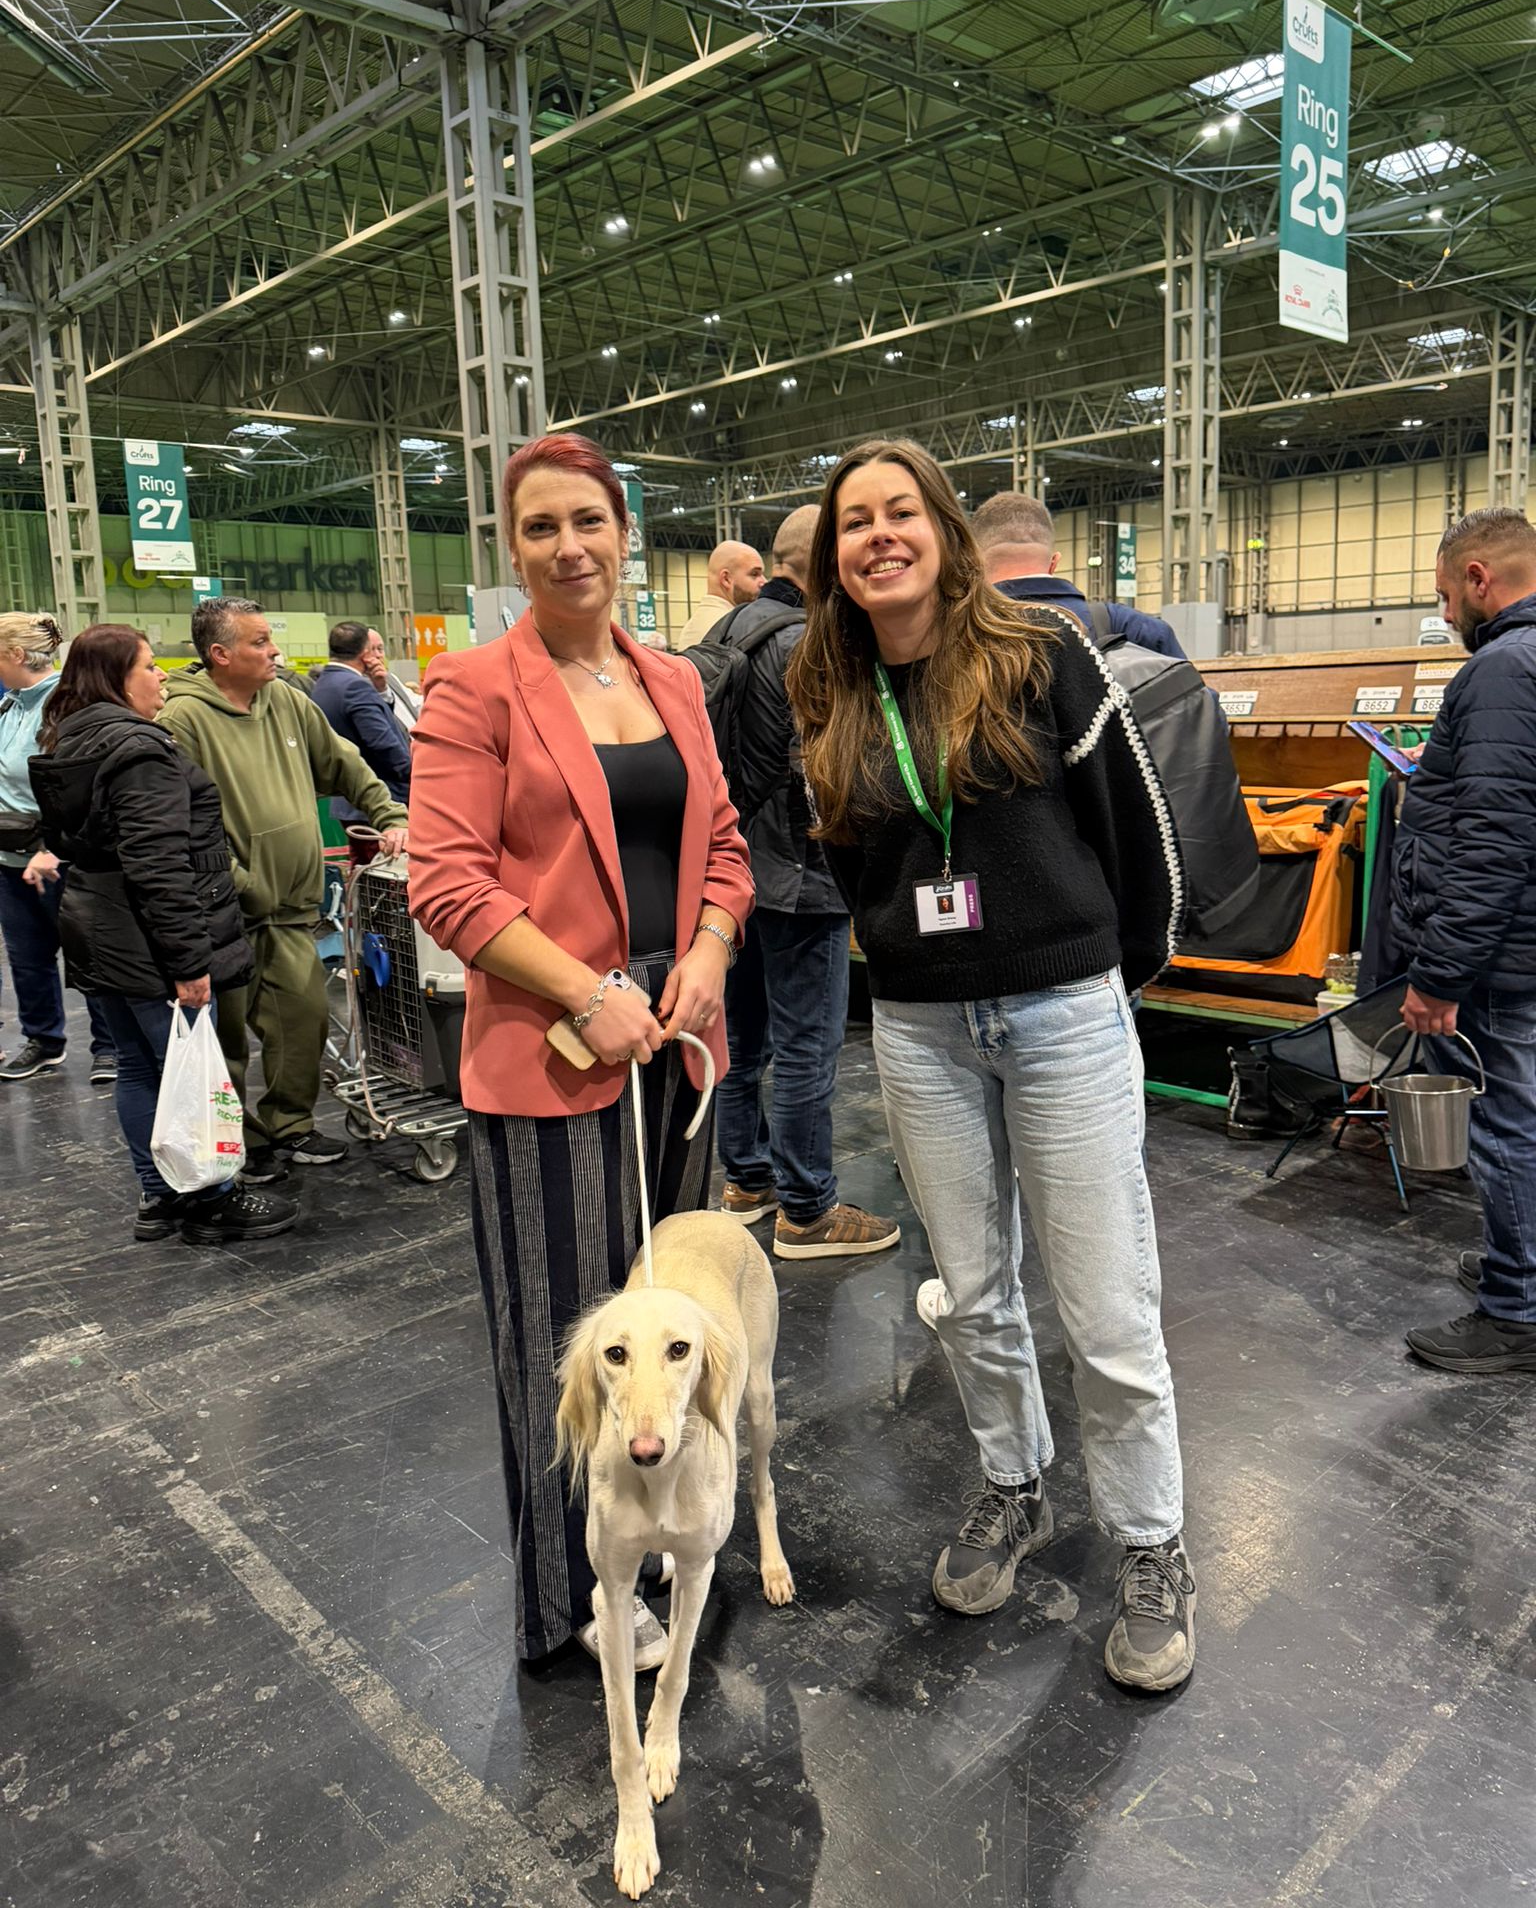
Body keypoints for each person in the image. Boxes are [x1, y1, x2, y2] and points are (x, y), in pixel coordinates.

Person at [786, 437, 1196, 1692]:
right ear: (833, 555)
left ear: (943, 528)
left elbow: (1132, 827)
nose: (878, 536)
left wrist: (1105, 973)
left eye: (899, 511)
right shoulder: (829, 689)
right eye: (855, 521)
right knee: (972, 1292)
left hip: (1065, 1012)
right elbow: (857, 863)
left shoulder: (1039, 654)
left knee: (1108, 1306)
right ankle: (1012, 1488)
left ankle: (1149, 1541)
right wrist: (909, 959)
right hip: (919, 1029)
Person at [408, 430, 753, 1671]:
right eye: (541, 526)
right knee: (566, 1343)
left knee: (667, 1323)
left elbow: (722, 848)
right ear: (513, 546)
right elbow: (443, 882)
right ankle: (572, 1602)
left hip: (678, 1043)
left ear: (624, 533)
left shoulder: (676, 682)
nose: (570, 546)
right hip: (553, 1052)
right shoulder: (476, 690)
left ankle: (668, 1536)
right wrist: (585, 988)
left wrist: (710, 949)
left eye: (589, 521)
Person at [28, 626, 299, 1247]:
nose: (164, 678)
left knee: (139, 1067)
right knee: (188, 1068)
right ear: (117, 677)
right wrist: (187, 960)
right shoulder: (139, 750)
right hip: (147, 938)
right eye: (151, 667)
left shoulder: (69, 738)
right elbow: (158, 867)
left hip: (95, 925)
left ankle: (159, 1195)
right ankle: (212, 1199)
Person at [159, 599, 408, 1183]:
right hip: (224, 915)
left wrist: (389, 811)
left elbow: (345, 762)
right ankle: (239, 1144)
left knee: (303, 1018)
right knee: (225, 1042)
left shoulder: (288, 700)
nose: (276, 650)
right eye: (260, 642)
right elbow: (189, 824)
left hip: (292, 910)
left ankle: (289, 1126)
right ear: (220, 654)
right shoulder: (182, 720)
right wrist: (240, 883)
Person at [712, 504, 897, 1259]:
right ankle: (808, 1209)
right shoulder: (812, 643)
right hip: (802, 877)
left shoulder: (724, 632)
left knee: (739, 1040)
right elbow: (836, 769)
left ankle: (746, 1181)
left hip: (727, 874)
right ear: (820, 565)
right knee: (805, 1049)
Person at [1393, 508, 1536, 1374]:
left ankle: (1515, 1310)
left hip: (1495, 957)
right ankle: (1520, 1268)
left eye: (1447, 596)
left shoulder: (1501, 671)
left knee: (1503, 1122)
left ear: (1480, 578)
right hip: (1519, 944)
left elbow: (1492, 843)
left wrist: (1441, 975)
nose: (1446, 615)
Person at [0, 611, 115, 1085]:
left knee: (86, 956)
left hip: (57, 857)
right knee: (27, 959)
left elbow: (79, 791)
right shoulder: (8, 707)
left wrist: (53, 846)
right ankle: (43, 1041)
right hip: (8, 860)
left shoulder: (64, 709)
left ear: (15, 655)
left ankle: (110, 1045)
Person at [972, 492, 1187, 657]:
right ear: (1053, 563)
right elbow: (1198, 707)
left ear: (977, 564)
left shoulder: (959, 635)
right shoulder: (1126, 628)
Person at [309, 620, 414, 823]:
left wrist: (381, 690)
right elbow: (383, 744)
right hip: (382, 802)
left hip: (349, 802)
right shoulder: (355, 687)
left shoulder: (323, 684)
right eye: (375, 649)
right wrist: (413, 775)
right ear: (365, 652)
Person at [674, 540, 766, 650]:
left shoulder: (695, 625)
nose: (764, 582)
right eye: (754, 574)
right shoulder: (732, 628)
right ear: (726, 579)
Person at [359, 629, 421, 731]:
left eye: (380, 649)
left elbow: (416, 703)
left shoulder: (391, 678)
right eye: (371, 650)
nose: (378, 655)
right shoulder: (357, 686)